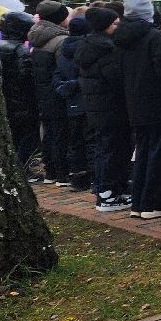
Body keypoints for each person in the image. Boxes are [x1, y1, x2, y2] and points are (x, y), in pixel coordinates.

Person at [114, 0, 161, 220]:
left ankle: (140, 200)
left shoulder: (120, 38)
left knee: (143, 152)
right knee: (159, 153)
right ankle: (154, 202)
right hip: (158, 103)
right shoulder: (154, 37)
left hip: (134, 103)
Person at [76, 6, 132, 212]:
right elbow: (117, 80)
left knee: (104, 148)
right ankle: (108, 193)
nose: (118, 27)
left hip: (97, 108)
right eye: (115, 23)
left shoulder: (87, 48)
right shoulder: (107, 51)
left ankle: (106, 189)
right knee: (112, 150)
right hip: (111, 108)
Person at [29, 1, 73, 187]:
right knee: (60, 132)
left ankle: (51, 170)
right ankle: (62, 171)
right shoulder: (60, 41)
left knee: (48, 132)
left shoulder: (37, 37)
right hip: (56, 93)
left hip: (42, 91)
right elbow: (63, 69)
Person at [0, 11, 41, 178]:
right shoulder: (21, 50)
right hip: (23, 101)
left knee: (15, 136)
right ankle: (22, 168)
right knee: (28, 137)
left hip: (9, 99)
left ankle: (15, 167)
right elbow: (26, 77)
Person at [53, 14, 91, 191]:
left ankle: (78, 177)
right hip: (87, 100)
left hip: (71, 102)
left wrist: (65, 89)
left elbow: (57, 75)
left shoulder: (62, 51)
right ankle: (93, 176)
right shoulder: (85, 50)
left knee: (75, 141)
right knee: (91, 140)